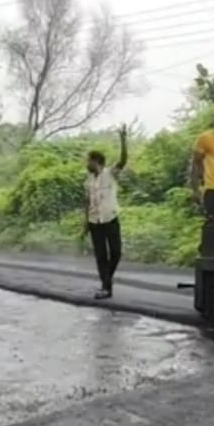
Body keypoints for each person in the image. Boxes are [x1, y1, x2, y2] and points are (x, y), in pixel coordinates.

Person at [82, 126, 128, 299]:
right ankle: (106, 287)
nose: (87, 164)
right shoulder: (87, 182)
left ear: (96, 162)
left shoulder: (110, 174)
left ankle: (106, 279)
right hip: (95, 222)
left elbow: (123, 160)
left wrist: (123, 140)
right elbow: (86, 203)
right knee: (101, 255)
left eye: (89, 161)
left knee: (116, 252)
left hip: (111, 218)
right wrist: (85, 223)